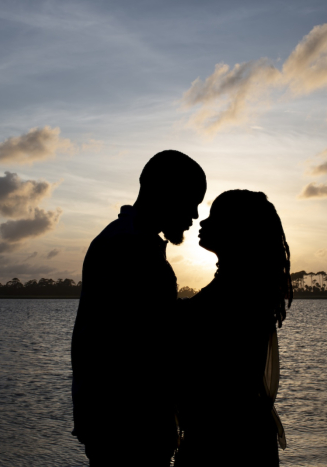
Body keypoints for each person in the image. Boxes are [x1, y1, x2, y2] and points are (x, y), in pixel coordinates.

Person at [71, 150, 207, 466]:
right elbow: (149, 341)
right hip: (129, 429)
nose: (195, 214)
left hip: (115, 425)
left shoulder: (123, 240)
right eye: (192, 200)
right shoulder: (129, 248)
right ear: (166, 193)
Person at [174, 189, 291, 467]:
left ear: (238, 230)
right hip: (238, 437)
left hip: (227, 443)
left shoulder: (239, 292)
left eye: (214, 217)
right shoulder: (246, 287)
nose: (203, 223)